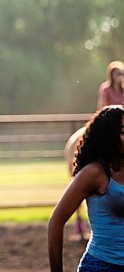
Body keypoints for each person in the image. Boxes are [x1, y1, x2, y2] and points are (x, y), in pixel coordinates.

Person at [48, 105, 124, 272]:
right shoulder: (95, 173)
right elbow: (56, 221)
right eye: (123, 132)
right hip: (102, 266)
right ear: (109, 136)